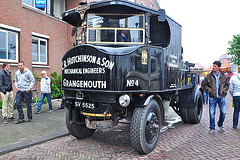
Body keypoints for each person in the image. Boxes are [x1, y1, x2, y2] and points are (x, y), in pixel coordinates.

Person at [202, 61, 229, 133]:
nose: (213, 67)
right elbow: (204, 85)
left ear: (219, 67)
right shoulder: (208, 76)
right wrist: (210, 90)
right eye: (213, 66)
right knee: (212, 113)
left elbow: (227, 85)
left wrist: (224, 91)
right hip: (212, 97)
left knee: (223, 112)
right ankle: (212, 128)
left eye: (215, 66)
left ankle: (220, 124)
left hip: (221, 97)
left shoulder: (224, 76)